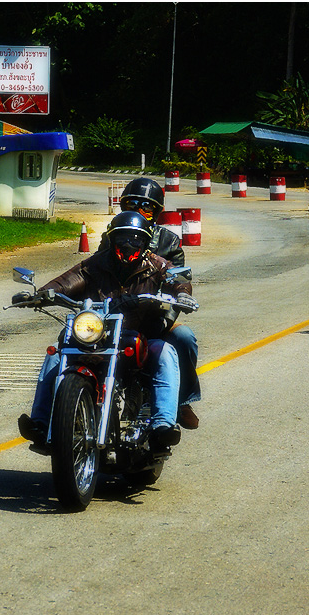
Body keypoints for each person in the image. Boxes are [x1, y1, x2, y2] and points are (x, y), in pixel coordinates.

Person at [15, 211, 197, 451]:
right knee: (56, 355)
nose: (128, 244)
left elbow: (177, 280)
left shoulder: (157, 265)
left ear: (145, 242)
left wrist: (182, 293)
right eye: (122, 238)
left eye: (135, 239)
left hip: (141, 333)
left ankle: (162, 425)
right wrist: (40, 295)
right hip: (98, 334)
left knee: (165, 353)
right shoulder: (95, 264)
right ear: (112, 239)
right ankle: (40, 423)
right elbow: (66, 281)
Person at [97, 177, 201, 429]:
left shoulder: (168, 241)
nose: (139, 210)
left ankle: (181, 401)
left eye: (146, 206)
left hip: (154, 314)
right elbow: (95, 271)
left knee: (185, 337)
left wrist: (168, 314)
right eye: (132, 204)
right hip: (117, 314)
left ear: (156, 212)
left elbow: (178, 280)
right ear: (123, 206)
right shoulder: (111, 237)